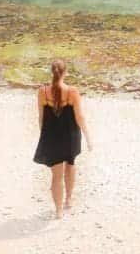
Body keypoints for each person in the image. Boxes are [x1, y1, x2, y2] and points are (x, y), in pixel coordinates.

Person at [33, 58, 93, 218]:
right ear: (65, 72)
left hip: (51, 136)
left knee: (56, 176)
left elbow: (41, 118)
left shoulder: (42, 92)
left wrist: (43, 136)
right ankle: (68, 199)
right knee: (71, 165)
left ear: (52, 73)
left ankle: (58, 210)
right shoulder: (72, 91)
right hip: (70, 135)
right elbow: (80, 117)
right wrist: (88, 137)